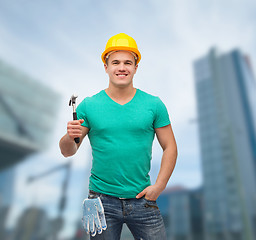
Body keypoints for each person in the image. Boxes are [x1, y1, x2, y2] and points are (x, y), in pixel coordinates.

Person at [59, 33, 178, 240]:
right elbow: (68, 151)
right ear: (106, 67)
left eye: (127, 63)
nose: (121, 67)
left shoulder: (154, 105)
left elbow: (170, 147)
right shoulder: (89, 105)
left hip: (143, 199)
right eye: (115, 62)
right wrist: (70, 136)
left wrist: (159, 186)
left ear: (135, 67)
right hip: (101, 201)